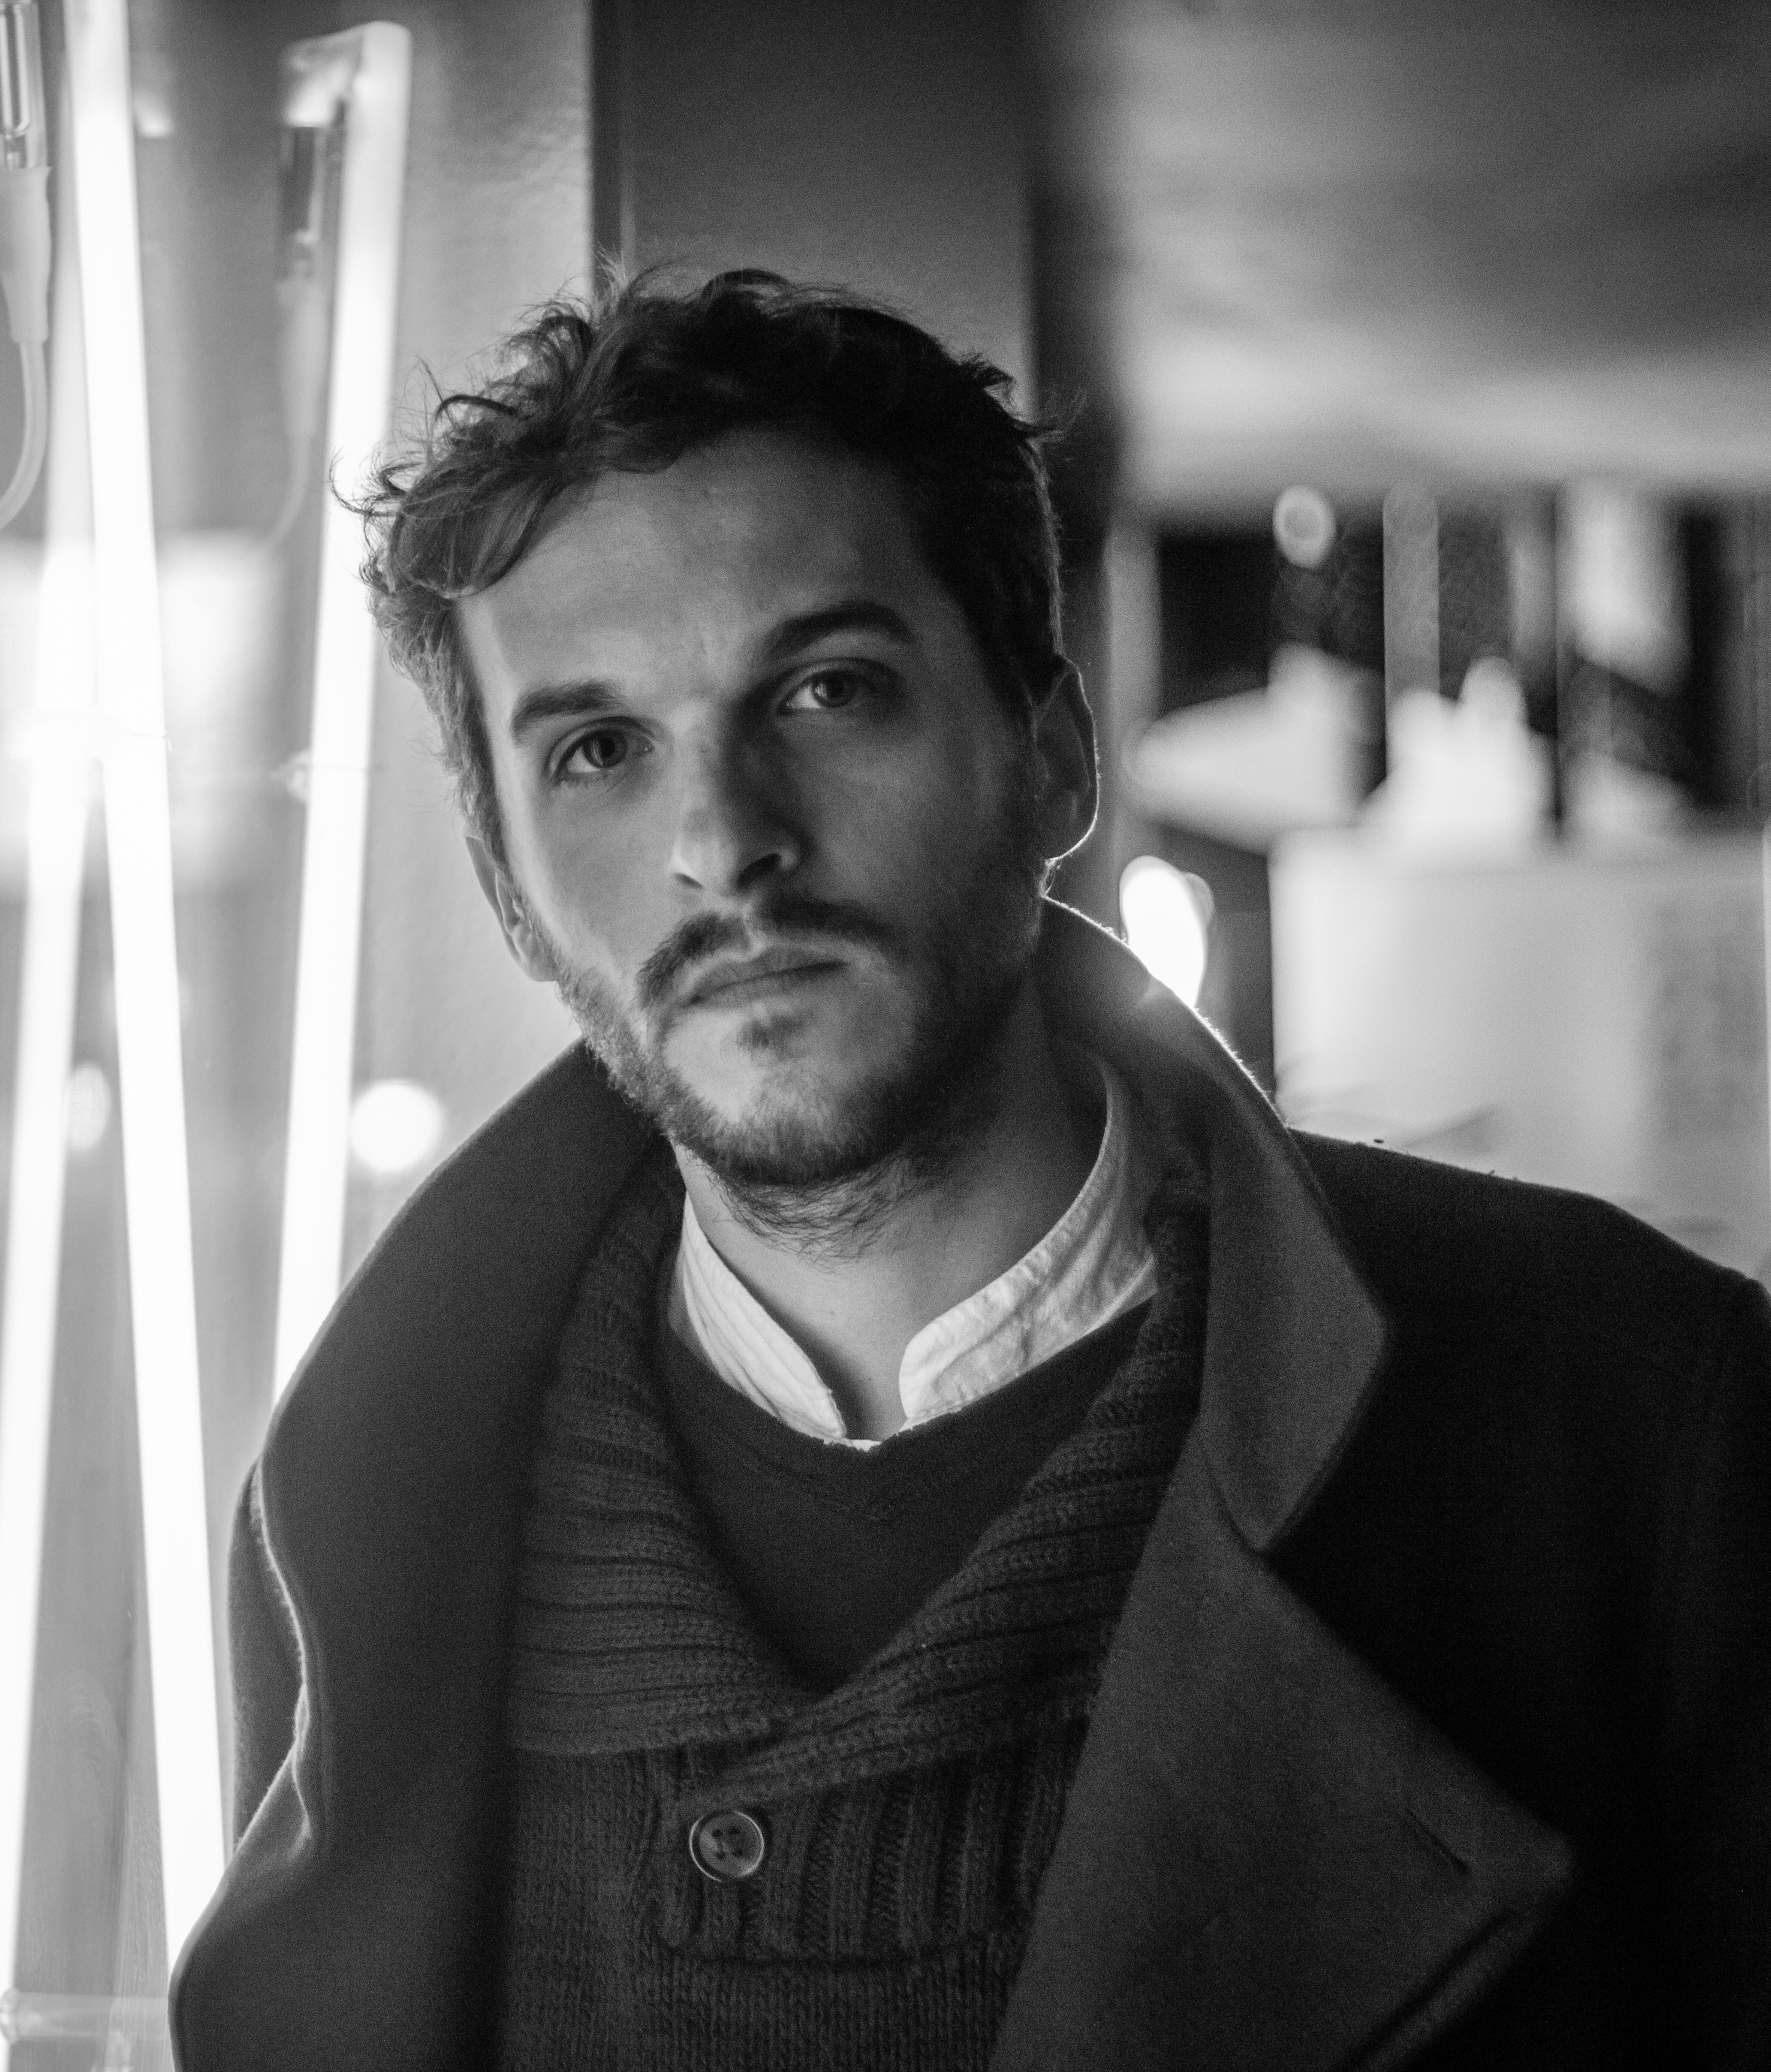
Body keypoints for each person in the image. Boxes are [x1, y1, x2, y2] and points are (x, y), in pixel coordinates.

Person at [169, 272, 1770, 2070]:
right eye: (600, 751)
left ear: (1053, 755)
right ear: (509, 890)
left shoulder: (1630, 1424)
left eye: (828, 690)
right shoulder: (361, 1531)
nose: (725, 842)